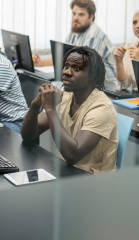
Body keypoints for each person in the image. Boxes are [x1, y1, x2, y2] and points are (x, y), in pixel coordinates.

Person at [22, 46, 118, 174]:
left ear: (93, 76)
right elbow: (28, 135)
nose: (67, 72)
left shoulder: (101, 109)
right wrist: (35, 106)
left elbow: (72, 155)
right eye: (66, 66)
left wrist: (50, 109)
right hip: (67, 171)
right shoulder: (65, 98)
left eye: (76, 68)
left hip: (92, 181)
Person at [33, 0, 117, 91]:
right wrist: (41, 62)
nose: (75, 18)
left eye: (81, 15)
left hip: (106, 90)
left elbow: (86, 69)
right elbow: (64, 56)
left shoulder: (94, 36)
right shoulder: (75, 32)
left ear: (91, 17)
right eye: (74, 14)